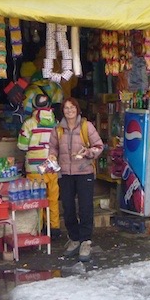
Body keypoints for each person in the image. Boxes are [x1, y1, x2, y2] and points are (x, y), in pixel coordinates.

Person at [48, 97, 104, 262]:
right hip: (65, 173)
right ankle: (74, 239)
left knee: (86, 207)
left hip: (84, 172)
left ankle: (86, 241)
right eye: (66, 108)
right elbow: (53, 147)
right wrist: (51, 155)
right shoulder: (58, 129)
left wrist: (87, 152)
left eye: (72, 108)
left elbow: (99, 146)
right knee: (68, 207)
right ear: (62, 111)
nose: (69, 111)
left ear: (77, 109)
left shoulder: (87, 126)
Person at [17, 94, 61, 238]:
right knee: (53, 198)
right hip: (51, 167)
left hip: (34, 168)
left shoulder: (29, 123)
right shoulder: (56, 123)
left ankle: (40, 229)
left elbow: (22, 146)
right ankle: (54, 228)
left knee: (38, 200)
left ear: (34, 107)